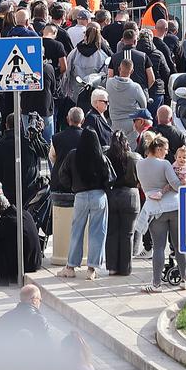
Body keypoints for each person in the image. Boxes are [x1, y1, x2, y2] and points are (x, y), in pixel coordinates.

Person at [135, 133, 186, 292]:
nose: (167, 152)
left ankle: (156, 284)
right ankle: (184, 280)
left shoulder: (139, 164)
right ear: (158, 149)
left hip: (155, 209)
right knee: (179, 246)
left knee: (158, 247)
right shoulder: (164, 164)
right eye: (165, 149)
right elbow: (177, 185)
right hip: (174, 206)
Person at [60, 129, 111, 280]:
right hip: (98, 195)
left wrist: (72, 186)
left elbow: (63, 174)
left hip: (80, 196)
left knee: (76, 231)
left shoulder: (73, 155)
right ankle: (92, 268)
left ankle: (70, 266)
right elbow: (110, 177)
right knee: (98, 232)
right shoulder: (101, 156)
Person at [0, 195, 43, 286]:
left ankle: (2, 277)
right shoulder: (23, 213)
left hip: (25, 265)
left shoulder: (7, 220)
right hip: (35, 262)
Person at [104, 131, 142, 277]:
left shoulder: (106, 156)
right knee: (128, 234)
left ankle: (112, 267)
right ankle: (125, 268)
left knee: (111, 233)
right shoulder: (134, 158)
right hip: (131, 195)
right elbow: (141, 178)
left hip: (111, 195)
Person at [105, 58, 149, 139]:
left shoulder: (109, 83)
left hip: (115, 122)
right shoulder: (136, 87)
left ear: (119, 69)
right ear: (132, 71)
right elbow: (144, 105)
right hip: (131, 125)